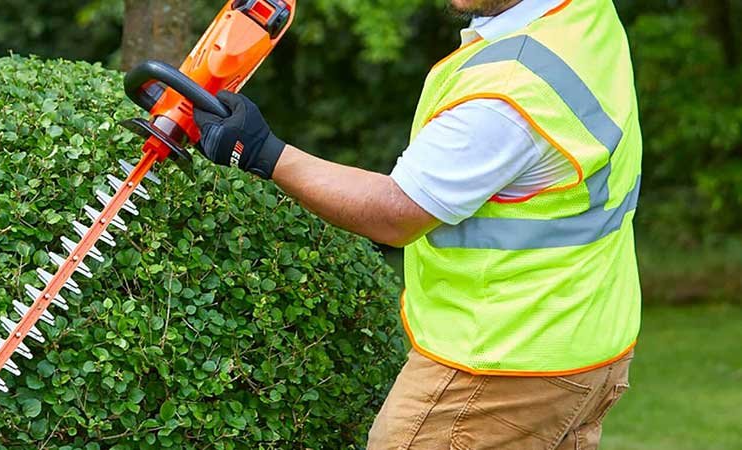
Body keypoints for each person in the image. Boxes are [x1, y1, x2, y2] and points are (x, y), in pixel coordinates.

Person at [192, 0, 642, 448]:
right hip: (587, 347)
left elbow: (398, 211)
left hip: (501, 367)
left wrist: (262, 152)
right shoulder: (582, 17)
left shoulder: (509, 88)